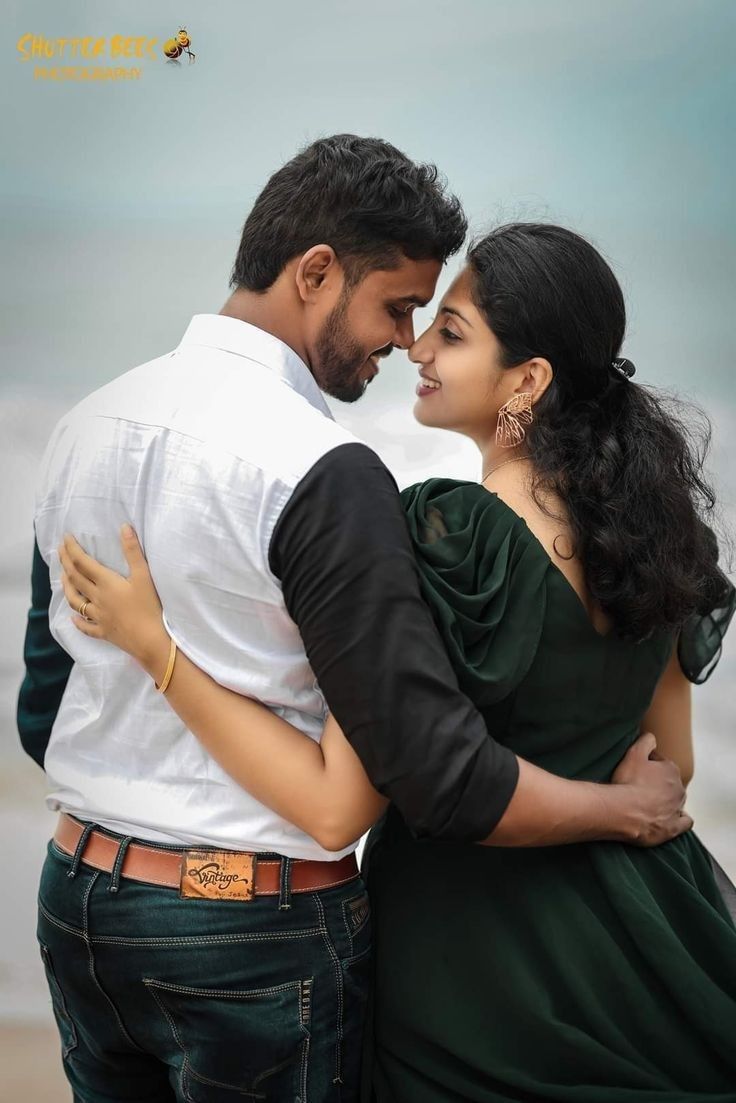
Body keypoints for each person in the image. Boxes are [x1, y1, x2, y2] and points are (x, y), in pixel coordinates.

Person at [18, 132, 689, 1103]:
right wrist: (620, 806)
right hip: (249, 936)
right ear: (316, 272)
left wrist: (151, 692)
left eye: (431, 318)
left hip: (80, 907)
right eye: (399, 306)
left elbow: (44, 714)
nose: (403, 340)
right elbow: (415, 779)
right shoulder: (320, 469)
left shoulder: (86, 422)